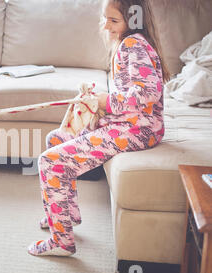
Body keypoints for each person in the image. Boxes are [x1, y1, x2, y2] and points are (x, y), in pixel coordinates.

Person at [28, 0, 170, 256]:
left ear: (134, 20)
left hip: (136, 130)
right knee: (56, 140)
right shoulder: (130, 43)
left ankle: (62, 242)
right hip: (130, 125)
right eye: (105, 19)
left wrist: (107, 101)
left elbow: (148, 92)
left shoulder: (133, 43)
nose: (106, 26)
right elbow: (133, 92)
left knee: (49, 161)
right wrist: (101, 104)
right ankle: (66, 216)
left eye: (114, 21)